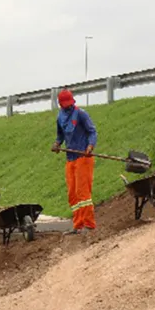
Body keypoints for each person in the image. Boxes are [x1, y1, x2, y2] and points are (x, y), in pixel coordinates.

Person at [51, 89, 98, 235]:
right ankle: (77, 225)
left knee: (83, 192)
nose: (68, 106)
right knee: (72, 193)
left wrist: (90, 146)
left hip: (83, 157)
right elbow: (60, 135)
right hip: (70, 158)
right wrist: (57, 144)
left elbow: (92, 132)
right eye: (65, 105)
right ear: (60, 104)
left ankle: (89, 224)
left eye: (69, 104)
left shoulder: (81, 114)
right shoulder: (60, 117)